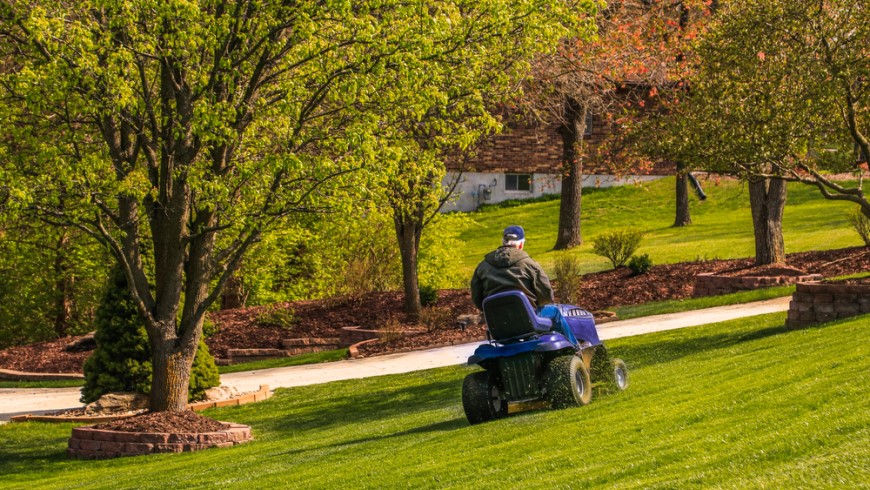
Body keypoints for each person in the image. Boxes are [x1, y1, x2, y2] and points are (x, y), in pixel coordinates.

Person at [470, 225, 554, 310]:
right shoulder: (530, 265)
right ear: (521, 244)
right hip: (527, 318)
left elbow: (477, 299)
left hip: (495, 319)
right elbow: (546, 297)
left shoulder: (483, 266)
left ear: (503, 242)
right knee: (556, 312)